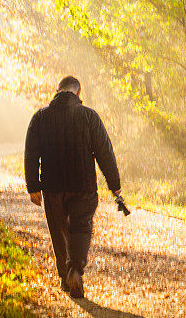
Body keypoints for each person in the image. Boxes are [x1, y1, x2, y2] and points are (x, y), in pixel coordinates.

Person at [24, 75, 121, 298]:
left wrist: (33, 186)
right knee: (81, 227)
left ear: (57, 91)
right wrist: (114, 184)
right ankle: (75, 269)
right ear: (78, 93)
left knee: (59, 231)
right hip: (83, 186)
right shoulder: (89, 117)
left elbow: (31, 153)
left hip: (53, 188)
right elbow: (105, 152)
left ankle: (65, 279)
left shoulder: (40, 118)